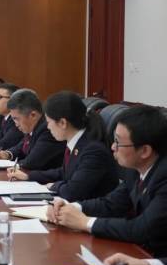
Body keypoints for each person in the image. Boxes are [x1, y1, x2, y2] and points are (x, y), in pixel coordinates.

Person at [47, 105, 167, 257]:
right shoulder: (135, 169)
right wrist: (72, 207)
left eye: (118, 142)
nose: (112, 147)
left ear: (145, 151)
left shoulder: (163, 176)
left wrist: (85, 222)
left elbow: (142, 229)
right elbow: (111, 203)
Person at [7, 91, 119, 201]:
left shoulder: (93, 151)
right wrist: (29, 176)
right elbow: (63, 172)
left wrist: (54, 186)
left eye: (49, 122)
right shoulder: (77, 142)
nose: (48, 127)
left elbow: (72, 192)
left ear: (62, 123)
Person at [0, 88, 65, 170]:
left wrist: (15, 166)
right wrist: (7, 154)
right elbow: (21, 147)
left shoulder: (47, 130)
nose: (15, 124)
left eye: (16, 119)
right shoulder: (32, 127)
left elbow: (31, 163)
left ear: (33, 115)